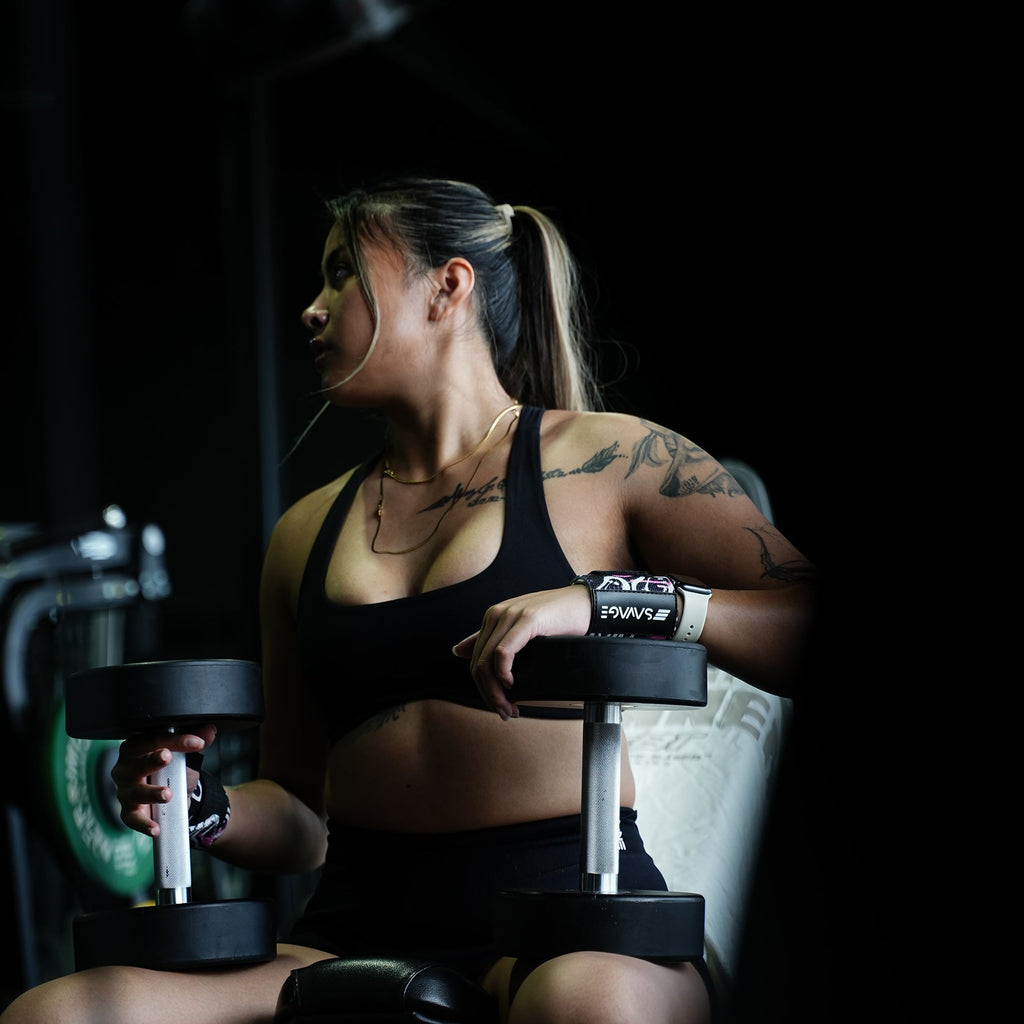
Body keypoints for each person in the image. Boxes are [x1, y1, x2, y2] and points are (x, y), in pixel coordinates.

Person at [1, 177, 817, 1024]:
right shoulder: (304, 533)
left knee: (590, 1004)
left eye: (343, 274)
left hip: (571, 919)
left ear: (448, 286)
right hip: (354, 926)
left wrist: (610, 598)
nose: (314, 309)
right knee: (58, 1014)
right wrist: (202, 808)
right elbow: (304, 816)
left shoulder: (615, 460)